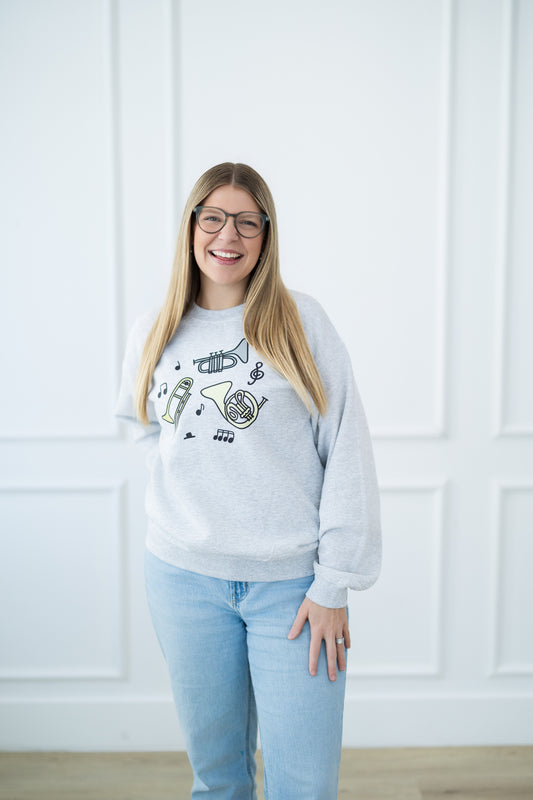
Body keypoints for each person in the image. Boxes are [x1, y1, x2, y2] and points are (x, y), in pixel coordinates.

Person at [115, 162, 381, 800]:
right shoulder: (156, 329)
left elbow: (347, 450)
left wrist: (334, 583)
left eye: (246, 222)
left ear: (266, 234)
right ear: (191, 228)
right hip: (182, 581)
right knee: (218, 778)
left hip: (294, 591)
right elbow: (143, 424)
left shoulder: (300, 322)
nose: (227, 236)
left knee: (304, 784)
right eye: (212, 218)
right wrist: (191, 491)